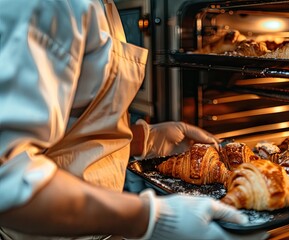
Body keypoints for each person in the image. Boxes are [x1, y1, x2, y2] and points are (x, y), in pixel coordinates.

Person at [0, 0, 268, 239]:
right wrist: (151, 218)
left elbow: (73, 121)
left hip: (99, 227)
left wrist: (143, 140)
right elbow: (7, 180)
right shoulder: (48, 5)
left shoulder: (103, 7)